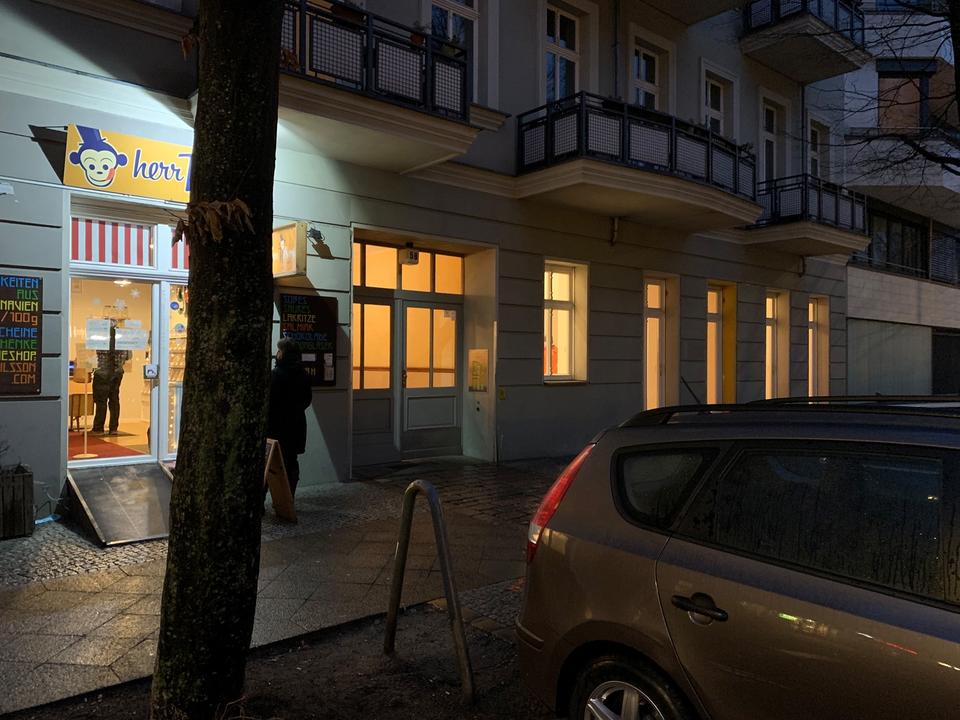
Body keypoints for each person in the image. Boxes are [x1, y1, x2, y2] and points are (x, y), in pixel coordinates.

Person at [267, 337, 312, 497]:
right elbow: (307, 400)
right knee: (291, 462)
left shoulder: (276, 375)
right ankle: (288, 498)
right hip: (296, 427)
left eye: (279, 350)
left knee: (269, 463)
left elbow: (270, 402)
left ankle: (266, 500)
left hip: (276, 427)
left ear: (284, 354)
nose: (277, 353)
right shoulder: (303, 374)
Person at [91, 320, 131, 435]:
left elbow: (93, 354)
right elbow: (129, 356)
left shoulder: (100, 337)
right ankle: (113, 428)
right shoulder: (123, 338)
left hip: (102, 374)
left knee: (101, 401)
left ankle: (98, 428)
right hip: (117, 373)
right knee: (114, 401)